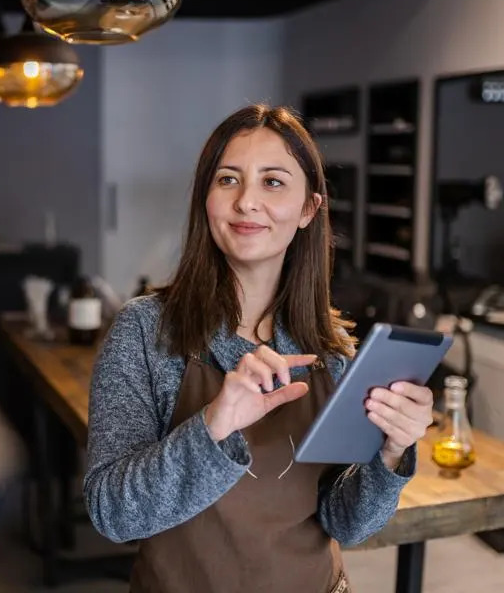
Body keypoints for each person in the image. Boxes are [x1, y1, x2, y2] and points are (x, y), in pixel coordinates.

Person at [83, 104, 434, 593]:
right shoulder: (146, 332)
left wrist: (393, 452)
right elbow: (112, 514)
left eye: (273, 182)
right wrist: (214, 424)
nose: (247, 201)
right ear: (206, 198)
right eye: (228, 180)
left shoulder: (331, 351)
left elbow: (345, 523)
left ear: (309, 209)